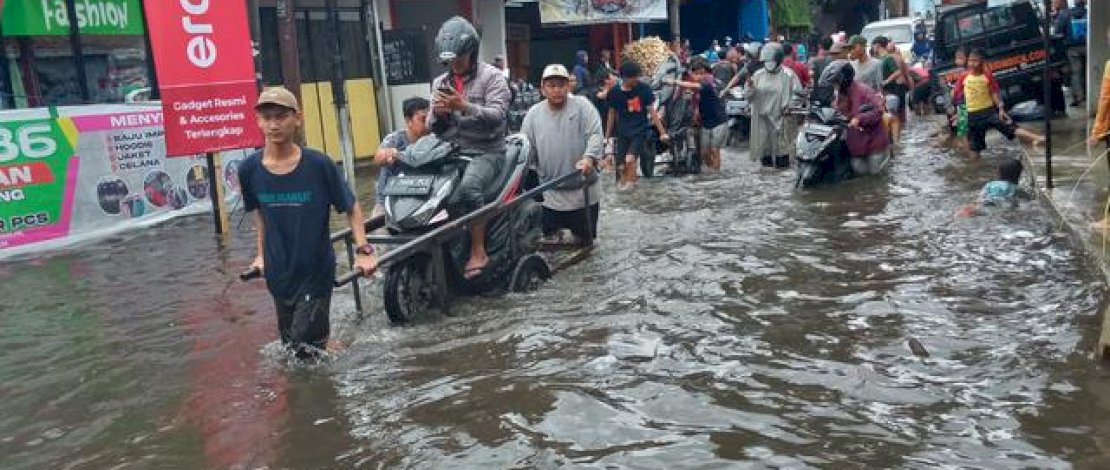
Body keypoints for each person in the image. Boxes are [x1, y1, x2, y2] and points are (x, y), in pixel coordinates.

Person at [239, 87, 377, 359]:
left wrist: (363, 251)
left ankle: (325, 390)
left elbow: (351, 206)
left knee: (303, 351)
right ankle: (330, 347)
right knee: (291, 347)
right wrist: (260, 256)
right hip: (279, 273)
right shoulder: (249, 170)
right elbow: (260, 215)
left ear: (297, 119)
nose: (274, 124)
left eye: (281, 116)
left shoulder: (318, 165)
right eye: (267, 117)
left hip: (314, 271)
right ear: (257, 121)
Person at [428, 16, 512, 279]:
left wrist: (463, 106)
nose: (454, 65)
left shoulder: (493, 78)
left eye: (459, 59)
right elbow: (433, 125)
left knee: (469, 188)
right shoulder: (440, 83)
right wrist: (440, 114)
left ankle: (478, 250)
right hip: (452, 150)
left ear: (471, 53)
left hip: (488, 150)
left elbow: (498, 116)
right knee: (425, 185)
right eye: (449, 61)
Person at [521, 64, 603, 246]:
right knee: (549, 242)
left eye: (561, 85)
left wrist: (589, 157)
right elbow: (527, 148)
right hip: (550, 192)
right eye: (552, 85)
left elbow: (595, 135)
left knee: (584, 243)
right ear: (543, 89)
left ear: (569, 86)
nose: (557, 90)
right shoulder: (533, 115)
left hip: (582, 189)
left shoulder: (583, 107)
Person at [952, 49, 1045, 159]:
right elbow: (955, 94)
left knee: (1010, 126)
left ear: (982, 62)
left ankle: (1035, 138)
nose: (972, 64)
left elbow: (994, 93)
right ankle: (975, 167)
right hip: (972, 115)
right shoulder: (964, 76)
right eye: (970, 61)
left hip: (989, 112)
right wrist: (958, 113)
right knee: (975, 147)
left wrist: (1001, 109)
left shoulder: (987, 75)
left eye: (975, 61)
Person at [606, 61, 669, 189]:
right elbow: (611, 114)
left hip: (640, 130)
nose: (636, 79)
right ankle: (624, 191)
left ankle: (631, 189)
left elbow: (652, 112)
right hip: (623, 132)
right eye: (633, 77)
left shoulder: (644, 89)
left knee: (630, 160)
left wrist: (662, 132)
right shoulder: (614, 92)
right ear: (624, 77)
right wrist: (606, 136)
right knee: (620, 166)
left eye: (637, 76)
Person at [821, 59, 890, 175]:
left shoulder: (863, 91)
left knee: (877, 178)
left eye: (835, 82)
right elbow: (838, 111)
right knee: (860, 176)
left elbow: (879, 110)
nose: (834, 86)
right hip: (855, 145)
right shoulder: (839, 94)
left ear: (843, 80)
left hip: (874, 144)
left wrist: (859, 118)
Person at [745, 42, 801, 169]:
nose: (769, 64)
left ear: (779, 60)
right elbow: (747, 96)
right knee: (765, 160)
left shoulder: (789, 75)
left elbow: (798, 94)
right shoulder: (758, 75)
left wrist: (790, 106)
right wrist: (750, 87)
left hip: (781, 119)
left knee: (782, 157)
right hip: (762, 121)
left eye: (772, 60)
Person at [665, 56, 727, 171]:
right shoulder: (698, 82)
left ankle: (715, 174)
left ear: (702, 71)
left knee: (714, 150)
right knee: (704, 153)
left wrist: (675, 82)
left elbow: (695, 86)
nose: (693, 77)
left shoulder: (709, 80)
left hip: (719, 121)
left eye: (695, 74)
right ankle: (711, 170)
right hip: (705, 122)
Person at [373, 97, 430, 215]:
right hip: (388, 202)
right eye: (423, 120)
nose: (428, 124)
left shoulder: (432, 139)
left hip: (421, 200)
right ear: (409, 120)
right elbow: (378, 157)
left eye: (430, 119)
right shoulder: (395, 139)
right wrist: (391, 153)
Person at [956, 158, 1027, 217]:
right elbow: (1023, 200)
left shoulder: (991, 184)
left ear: (999, 173)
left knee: (979, 207)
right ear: (1019, 175)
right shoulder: (1015, 188)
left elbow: (981, 195)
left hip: (985, 201)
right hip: (999, 204)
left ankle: (970, 210)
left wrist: (977, 202)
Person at [874, 36, 910, 143]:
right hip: (883, 92)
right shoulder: (878, 59)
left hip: (892, 91)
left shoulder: (888, 58)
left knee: (895, 115)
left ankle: (897, 139)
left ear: (878, 45)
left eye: (874, 45)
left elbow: (898, 72)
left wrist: (886, 81)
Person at [1054, 0, 1087, 106]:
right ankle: (1093, 92)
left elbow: (1057, 32)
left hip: (1072, 48)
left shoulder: (1065, 15)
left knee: (1076, 73)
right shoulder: (1088, 13)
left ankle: (1079, 97)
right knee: (1090, 69)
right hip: (1088, 45)